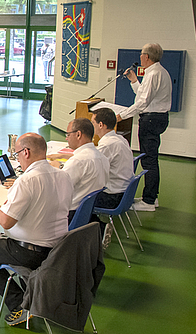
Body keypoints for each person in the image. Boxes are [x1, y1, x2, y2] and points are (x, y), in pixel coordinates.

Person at [0, 133, 73, 326]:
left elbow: (5, 221)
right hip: (59, 249)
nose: (17, 158)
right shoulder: (64, 176)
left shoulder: (27, 181)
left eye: (18, 154)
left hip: (30, 252)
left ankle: (19, 304)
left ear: (26, 152)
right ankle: (30, 295)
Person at [117, 43, 172, 211]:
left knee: (149, 160)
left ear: (146, 56)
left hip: (151, 120)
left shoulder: (154, 73)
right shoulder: (157, 72)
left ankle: (148, 201)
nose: (140, 57)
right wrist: (134, 81)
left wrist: (121, 116)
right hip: (156, 118)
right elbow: (144, 95)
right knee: (150, 158)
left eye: (141, 54)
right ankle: (151, 197)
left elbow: (142, 103)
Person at [49, 118, 108, 223]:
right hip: (86, 212)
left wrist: (55, 168)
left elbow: (58, 188)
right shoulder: (102, 157)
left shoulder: (78, 161)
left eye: (68, 135)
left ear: (78, 134)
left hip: (70, 214)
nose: (67, 139)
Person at [90, 108, 135, 244]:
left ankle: (99, 230)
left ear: (101, 125)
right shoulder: (120, 139)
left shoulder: (108, 144)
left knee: (78, 200)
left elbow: (93, 170)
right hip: (123, 193)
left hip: (112, 197)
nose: (92, 126)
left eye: (93, 123)